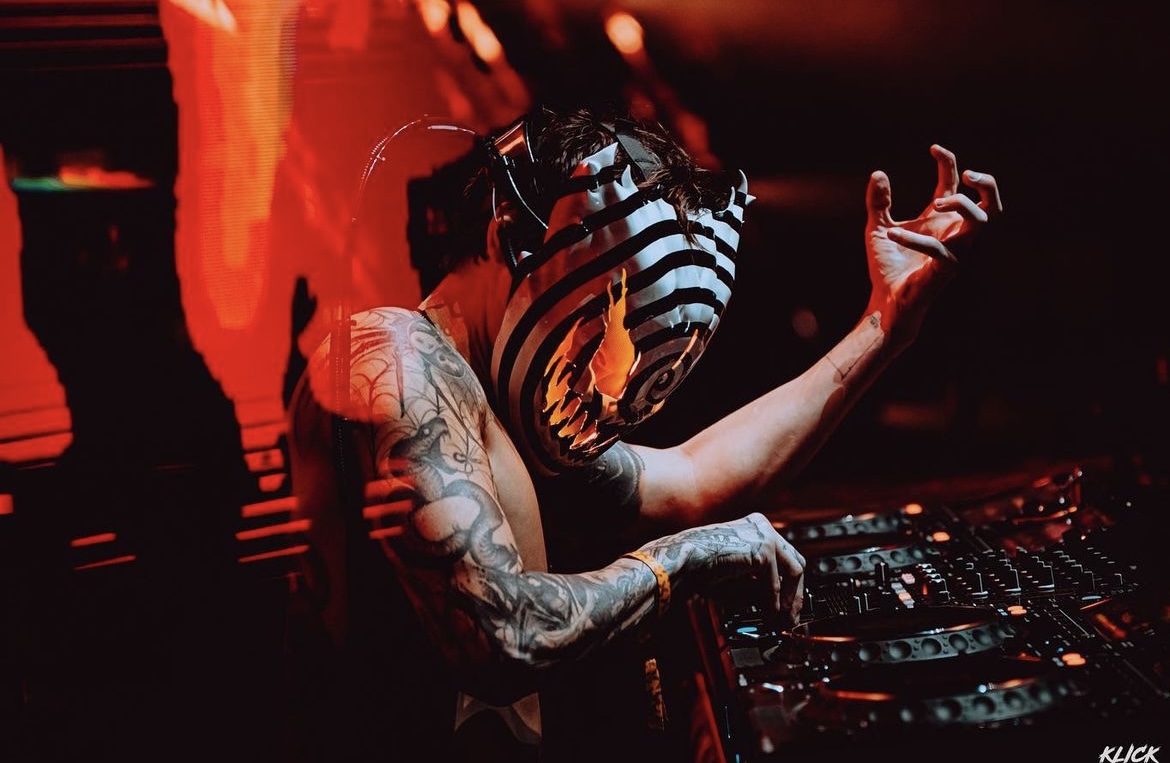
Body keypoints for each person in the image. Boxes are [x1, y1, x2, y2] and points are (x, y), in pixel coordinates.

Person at [283, 105, 1002, 762]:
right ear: (507, 235)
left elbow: (691, 479)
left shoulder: (493, 404)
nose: (611, 382)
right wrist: (681, 562)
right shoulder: (397, 357)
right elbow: (498, 636)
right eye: (603, 327)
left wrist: (882, 329)